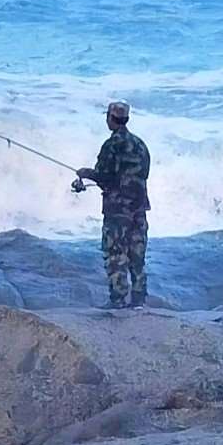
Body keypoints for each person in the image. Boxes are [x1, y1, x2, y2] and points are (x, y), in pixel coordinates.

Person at [71, 100, 150, 308]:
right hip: (139, 207)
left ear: (110, 119)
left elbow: (104, 176)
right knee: (137, 254)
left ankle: (118, 299)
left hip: (117, 210)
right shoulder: (141, 145)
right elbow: (143, 174)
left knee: (115, 254)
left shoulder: (111, 144)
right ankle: (139, 299)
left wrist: (85, 173)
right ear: (127, 119)